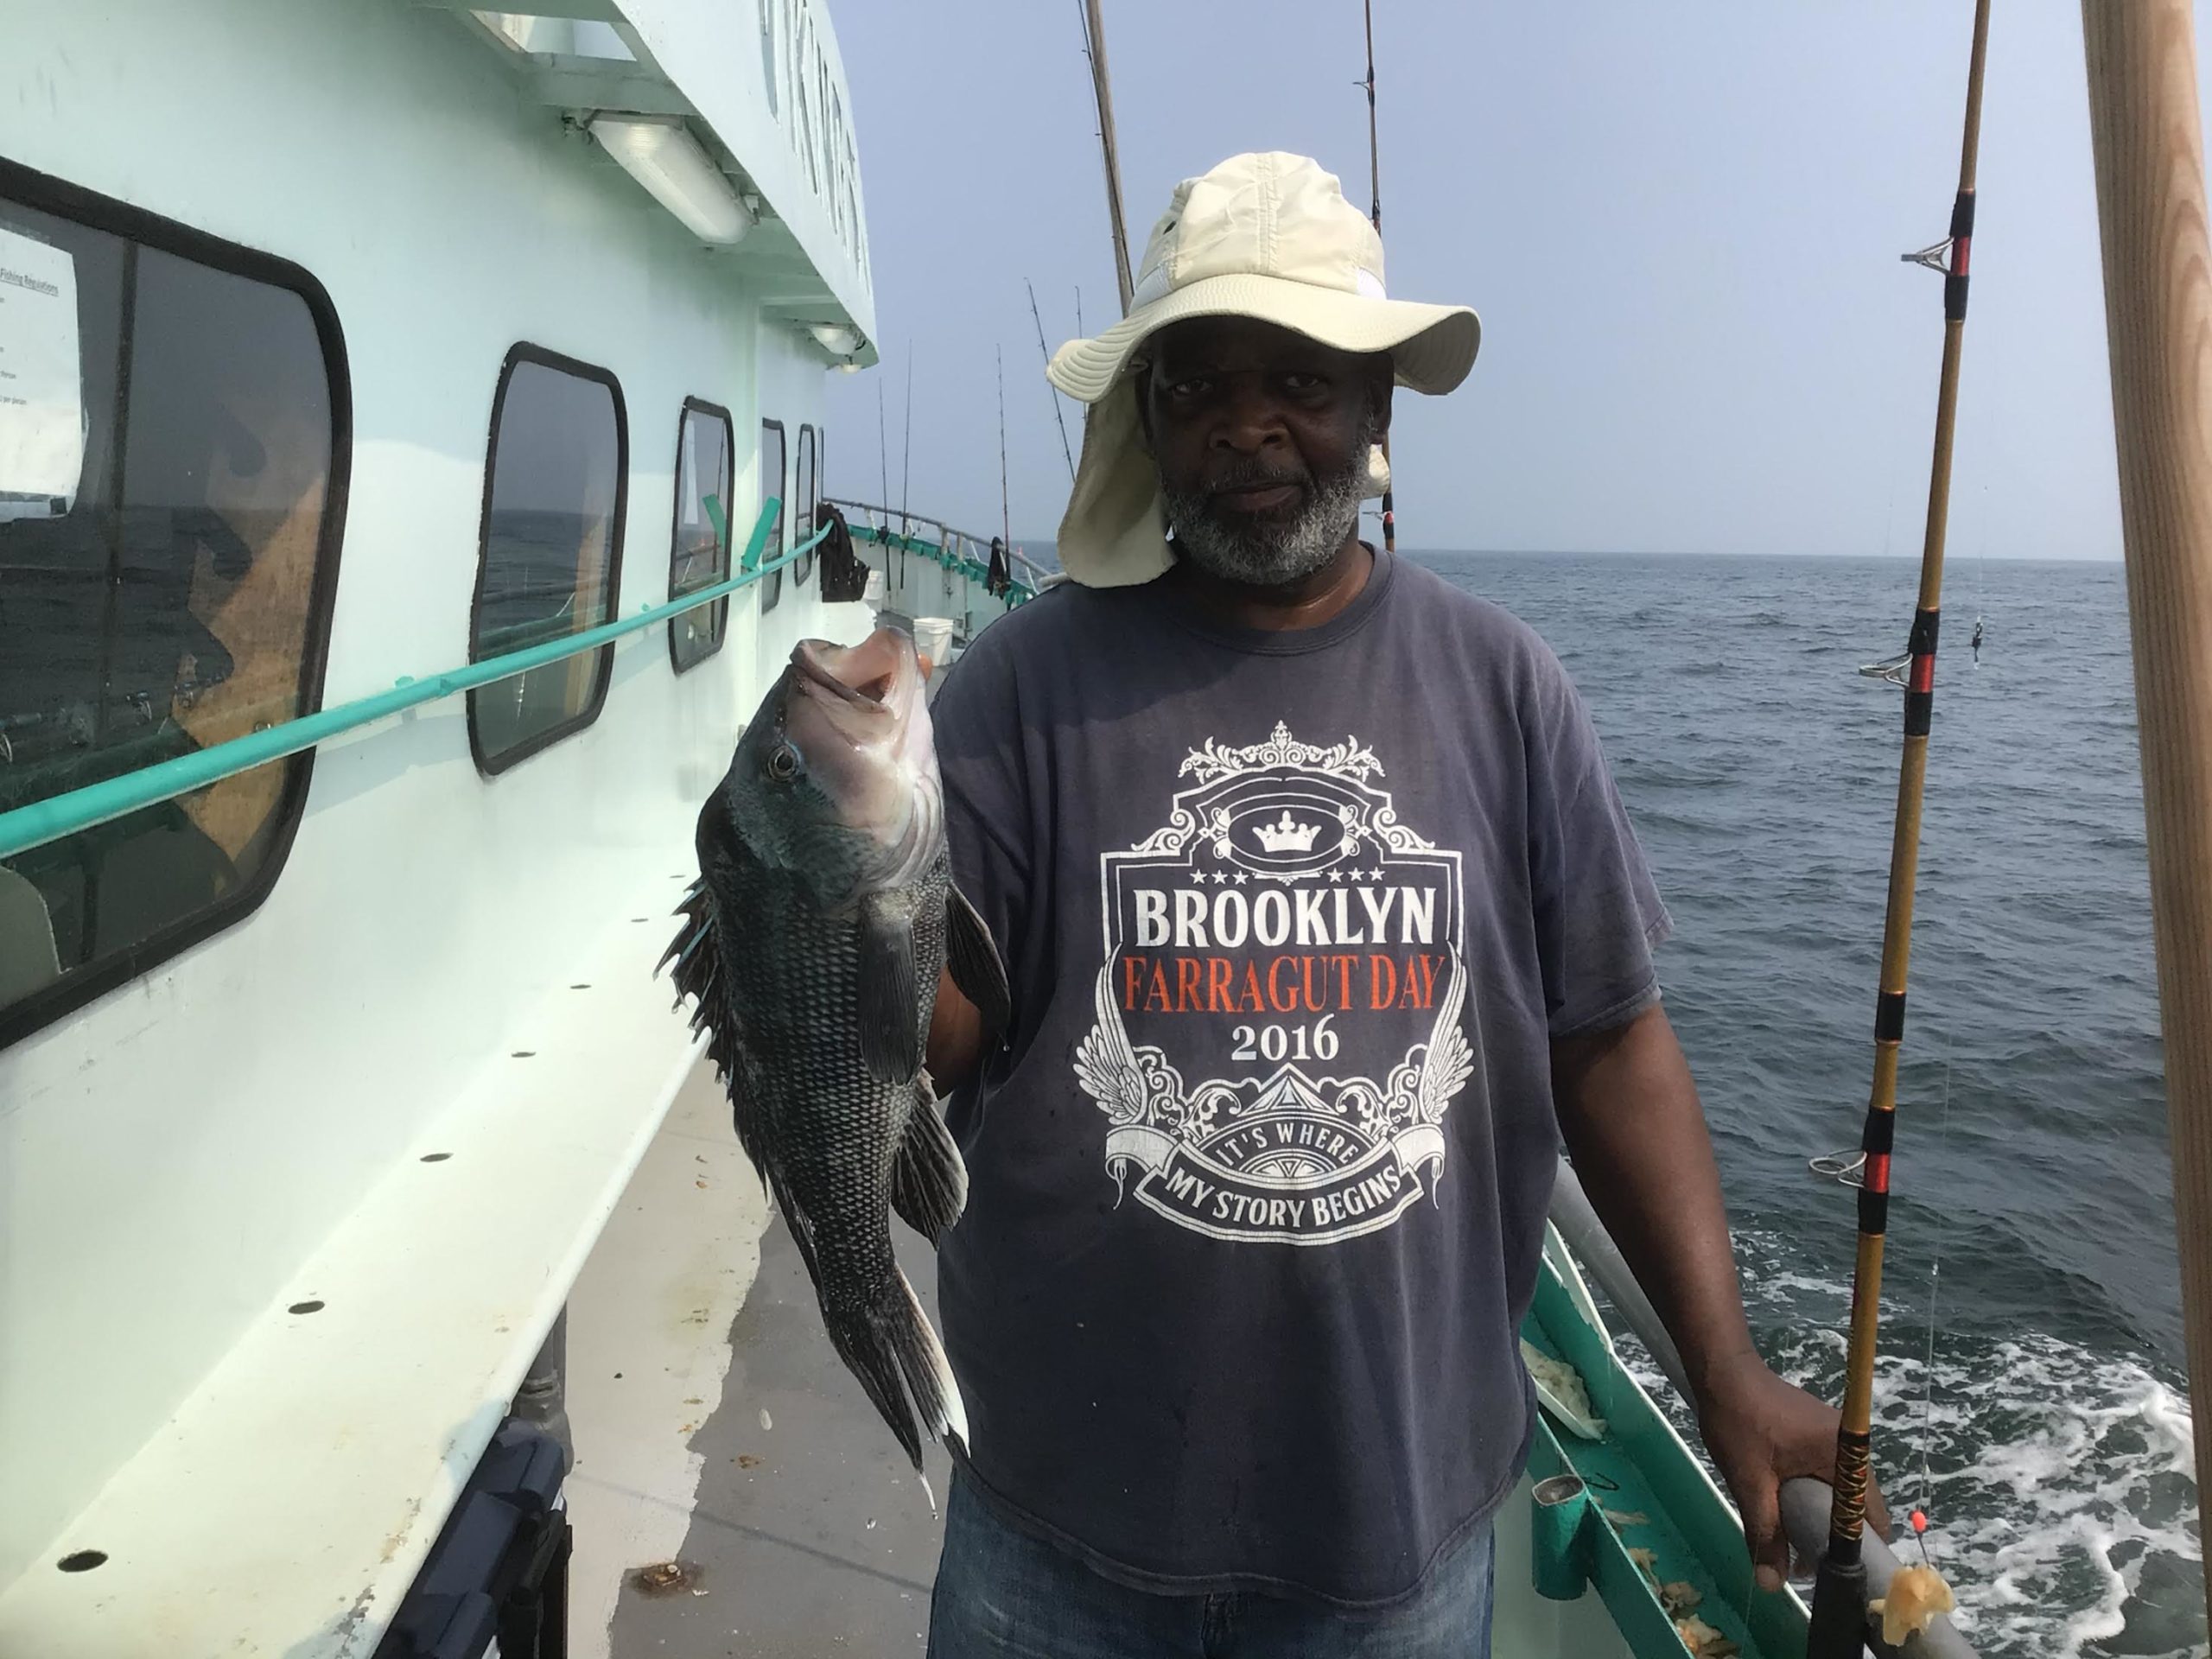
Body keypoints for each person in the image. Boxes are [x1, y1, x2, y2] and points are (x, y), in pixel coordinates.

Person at [921, 151, 1880, 1658]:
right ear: (1147, 426)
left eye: (1298, 375)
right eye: (1195, 388)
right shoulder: (1015, 691)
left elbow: (1611, 1049)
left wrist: (1728, 1373)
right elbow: (929, 1040)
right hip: (1054, 1528)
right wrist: (820, 865)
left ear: (1378, 406)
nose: (1247, 424)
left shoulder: (1507, 690)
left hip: (1396, 1546)